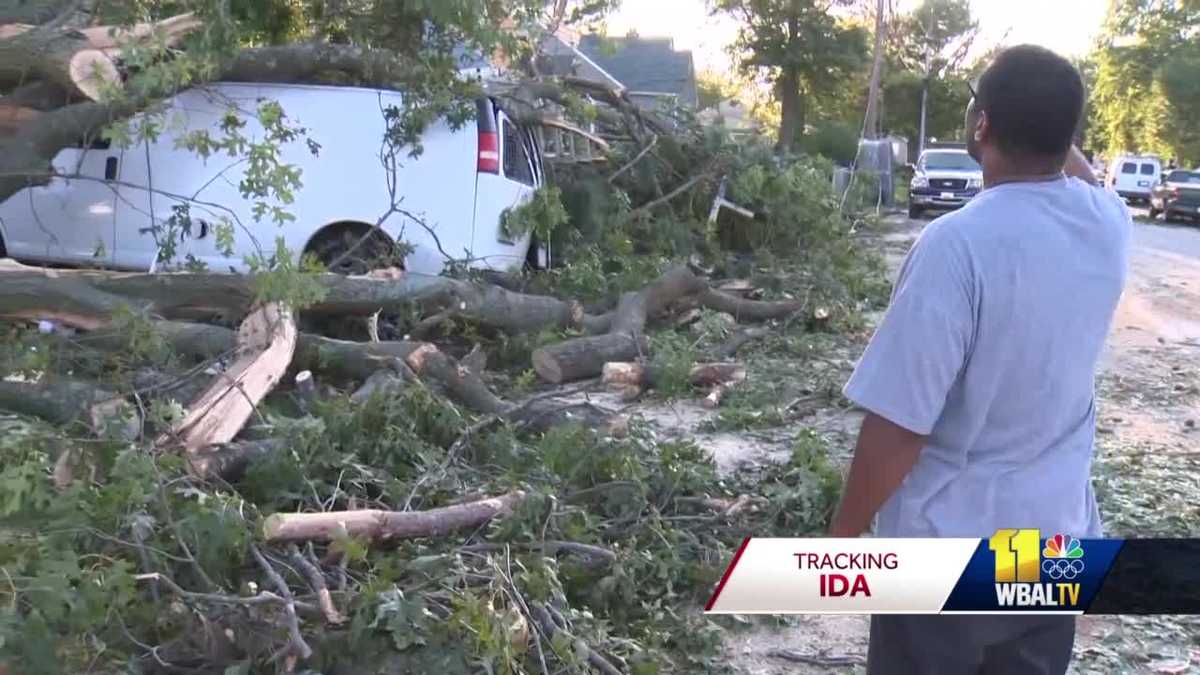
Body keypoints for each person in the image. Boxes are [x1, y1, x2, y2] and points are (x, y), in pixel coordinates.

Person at [828, 45, 1132, 674]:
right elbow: (1076, 169)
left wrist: (836, 549)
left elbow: (899, 428)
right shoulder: (1108, 225)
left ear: (982, 125)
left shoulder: (957, 245)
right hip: (1054, 547)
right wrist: (1052, 125)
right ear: (1068, 136)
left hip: (950, 554)